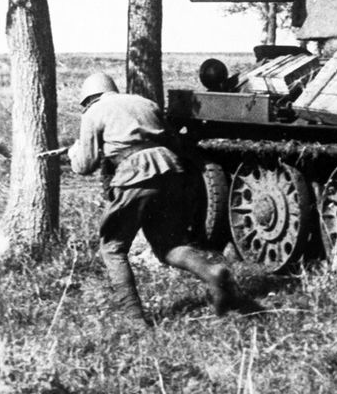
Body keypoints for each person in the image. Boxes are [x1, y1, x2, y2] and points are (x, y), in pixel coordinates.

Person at [68, 72, 245, 327]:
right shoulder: (145, 103)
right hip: (171, 171)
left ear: (88, 98)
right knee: (170, 245)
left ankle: (136, 321)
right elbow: (174, 141)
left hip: (135, 175)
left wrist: (75, 153)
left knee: (113, 248)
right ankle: (212, 272)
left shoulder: (94, 112)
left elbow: (84, 166)